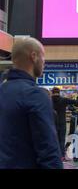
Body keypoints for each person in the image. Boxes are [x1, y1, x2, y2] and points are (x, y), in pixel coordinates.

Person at [0, 37, 62, 169]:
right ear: (34, 56)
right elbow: (48, 152)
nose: (44, 62)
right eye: (43, 57)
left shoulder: (3, 90)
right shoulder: (35, 95)